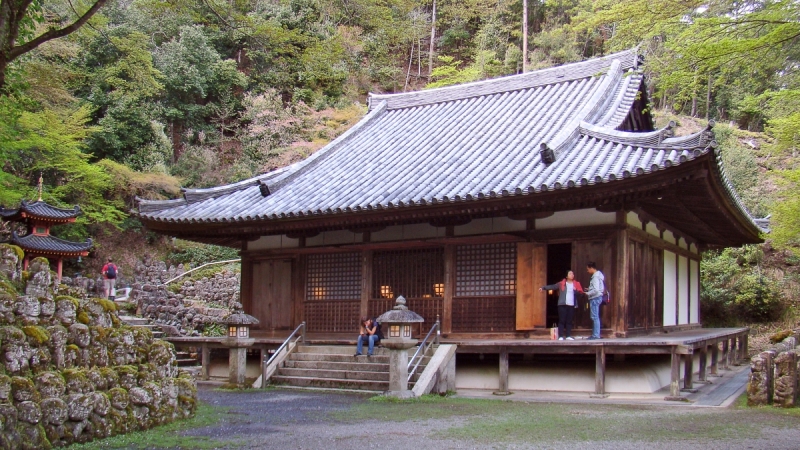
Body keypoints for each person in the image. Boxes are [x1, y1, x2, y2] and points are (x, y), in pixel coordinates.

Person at [539, 270, 584, 340]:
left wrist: (575, 290)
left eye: (572, 274)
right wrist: (543, 288)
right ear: (566, 276)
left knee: (569, 321)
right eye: (570, 273)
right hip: (562, 304)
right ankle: (561, 336)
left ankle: (568, 335)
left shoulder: (576, 284)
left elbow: (581, 294)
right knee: (562, 320)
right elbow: (553, 286)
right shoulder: (562, 283)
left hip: (571, 304)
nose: (572, 275)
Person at [584, 261, 605, 340]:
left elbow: (596, 290)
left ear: (591, 268)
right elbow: (599, 288)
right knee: (595, 316)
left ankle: (596, 335)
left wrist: (588, 293)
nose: (587, 271)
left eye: (588, 269)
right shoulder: (599, 276)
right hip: (598, 297)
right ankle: (596, 334)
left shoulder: (595, 277)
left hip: (595, 297)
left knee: (594, 317)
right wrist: (589, 289)